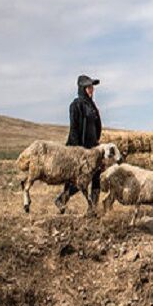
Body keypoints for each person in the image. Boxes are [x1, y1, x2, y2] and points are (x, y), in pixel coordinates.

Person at [56, 74, 102, 213]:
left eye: (92, 86)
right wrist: (77, 150)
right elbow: (74, 128)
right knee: (75, 179)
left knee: (96, 175)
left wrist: (96, 144)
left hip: (92, 147)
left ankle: (93, 208)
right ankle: (62, 200)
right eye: (88, 87)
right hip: (78, 149)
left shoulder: (92, 105)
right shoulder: (75, 105)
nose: (91, 89)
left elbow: (96, 125)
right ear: (82, 88)